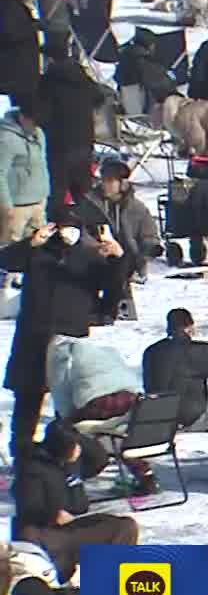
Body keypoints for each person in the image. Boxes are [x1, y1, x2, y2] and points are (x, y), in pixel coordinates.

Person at [3, 225, 120, 465]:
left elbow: (114, 292)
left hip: (70, 340)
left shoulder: (90, 258)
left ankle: (64, 456)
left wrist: (118, 258)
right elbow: (5, 260)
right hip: (32, 339)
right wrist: (30, 244)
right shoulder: (38, 251)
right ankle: (22, 458)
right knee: (27, 403)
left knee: (67, 406)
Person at [10, 422, 137, 576]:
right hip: (44, 533)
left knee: (125, 527)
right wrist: (54, 515)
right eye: (74, 446)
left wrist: (75, 435)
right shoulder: (33, 468)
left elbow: (100, 460)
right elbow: (28, 509)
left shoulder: (72, 461)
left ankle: (109, 575)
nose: (79, 450)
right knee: (56, 545)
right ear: (61, 448)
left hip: (72, 526)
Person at [141, 308, 208, 434]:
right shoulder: (198, 351)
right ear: (189, 328)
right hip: (187, 419)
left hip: (158, 417)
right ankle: (206, 425)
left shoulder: (151, 351)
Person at [88, 160, 160, 292]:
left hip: (128, 263)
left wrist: (150, 249)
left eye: (110, 181)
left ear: (123, 184)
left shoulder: (136, 208)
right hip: (98, 260)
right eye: (103, 180)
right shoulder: (91, 204)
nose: (105, 185)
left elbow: (149, 235)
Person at [0, 101, 49, 244]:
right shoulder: (6, 139)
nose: (36, 127)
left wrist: (44, 197)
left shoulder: (39, 133)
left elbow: (42, 163)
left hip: (39, 204)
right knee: (11, 252)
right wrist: (6, 207)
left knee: (39, 251)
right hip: (16, 209)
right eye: (33, 122)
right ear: (23, 117)